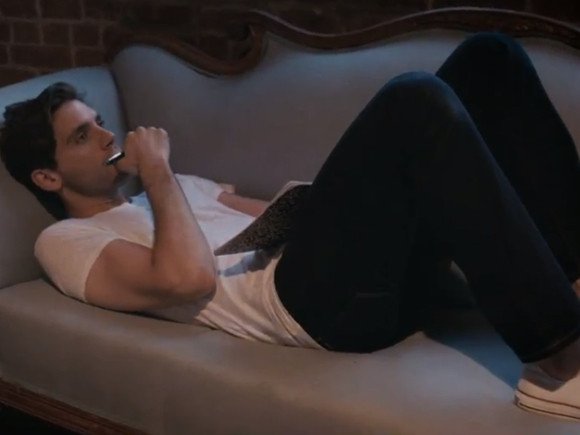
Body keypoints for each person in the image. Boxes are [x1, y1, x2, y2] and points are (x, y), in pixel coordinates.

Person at [2, 31, 580, 420]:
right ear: (48, 177)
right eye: (83, 136)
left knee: (490, 59)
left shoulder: (182, 187)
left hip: (346, 269)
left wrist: (355, 188)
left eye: (101, 121)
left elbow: (280, 213)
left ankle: (571, 290)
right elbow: (187, 279)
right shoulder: (65, 241)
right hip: (312, 308)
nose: (108, 136)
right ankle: (558, 361)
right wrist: (156, 173)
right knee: (414, 98)